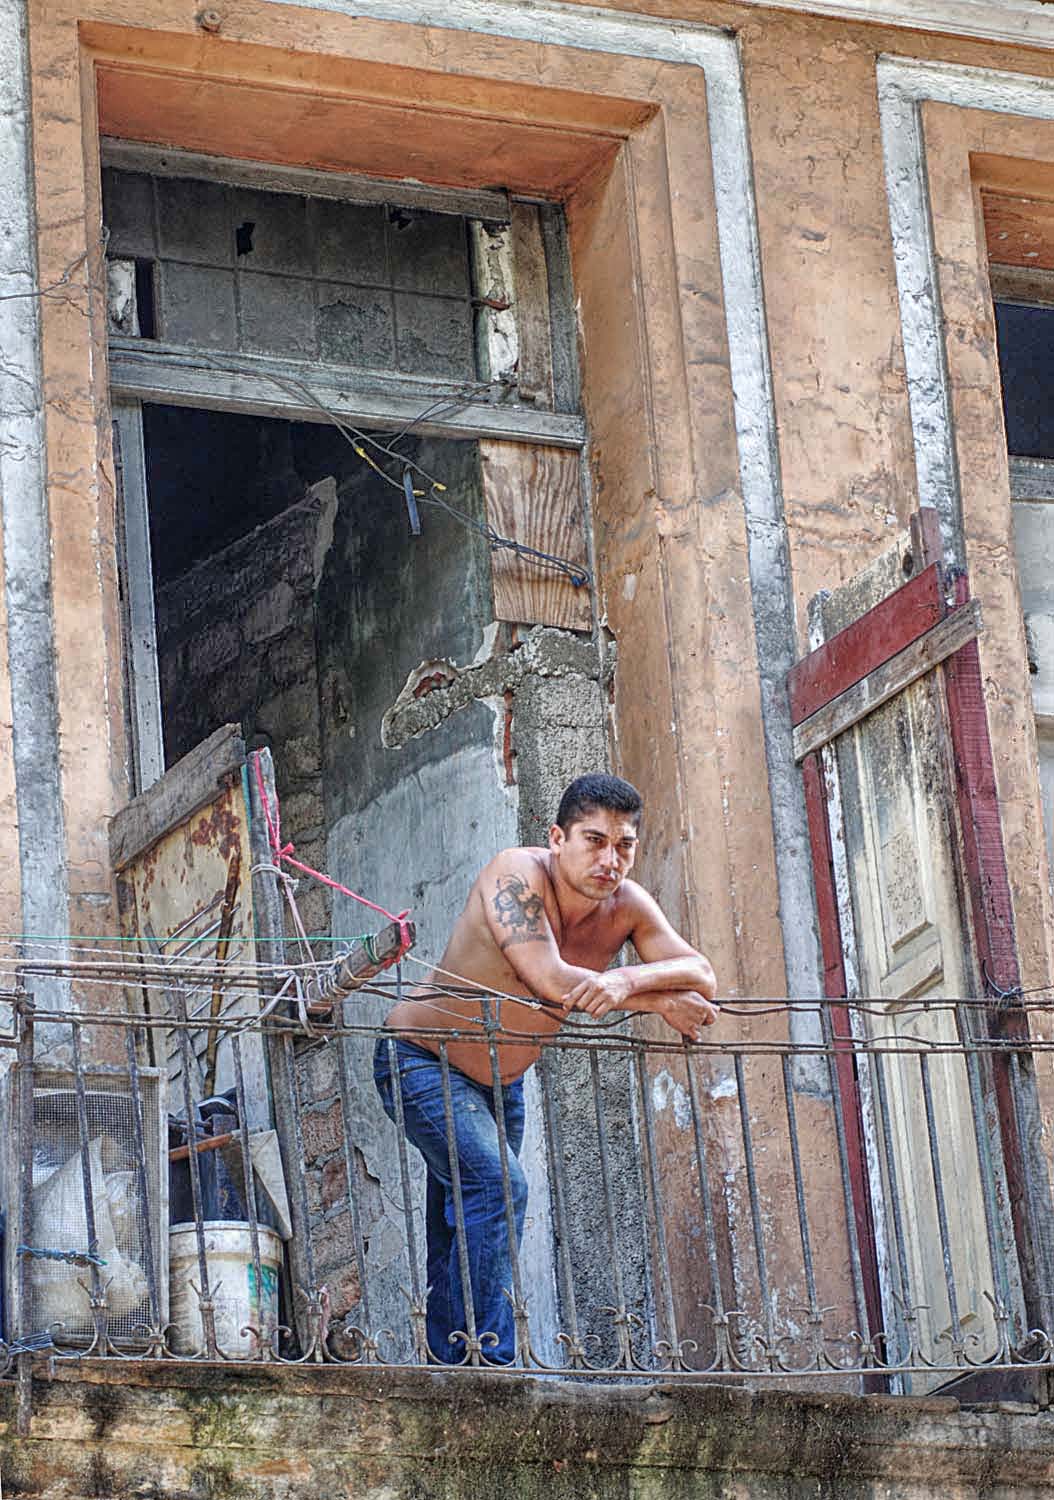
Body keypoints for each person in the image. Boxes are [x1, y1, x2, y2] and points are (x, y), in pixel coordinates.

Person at [373, 772, 718, 1365]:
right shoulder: (515, 876)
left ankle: (446, 1361)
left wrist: (630, 978)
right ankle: (486, 1361)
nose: (611, 859)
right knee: (500, 1185)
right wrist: (658, 998)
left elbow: (702, 975)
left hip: (501, 1083)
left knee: (466, 1215)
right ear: (557, 838)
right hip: (420, 1060)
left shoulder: (627, 907)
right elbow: (551, 980)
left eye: (625, 845)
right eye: (594, 840)